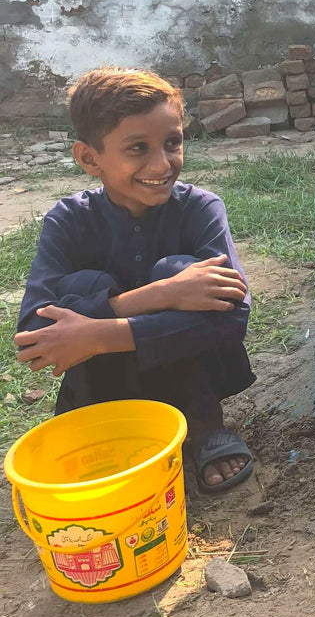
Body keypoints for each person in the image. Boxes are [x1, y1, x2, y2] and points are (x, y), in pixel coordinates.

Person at [14, 67, 255, 494]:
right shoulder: (68, 220)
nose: (161, 164)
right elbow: (34, 333)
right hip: (101, 396)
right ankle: (106, 431)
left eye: (172, 143)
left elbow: (231, 318)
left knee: (177, 269)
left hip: (192, 378)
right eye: (137, 149)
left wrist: (99, 334)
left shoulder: (200, 208)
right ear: (90, 158)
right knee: (93, 282)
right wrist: (153, 298)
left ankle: (201, 426)